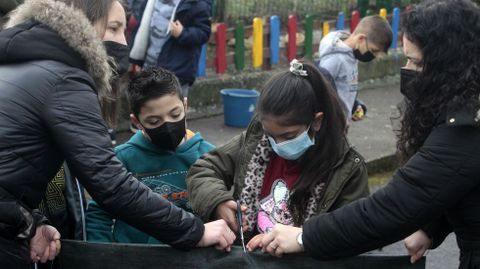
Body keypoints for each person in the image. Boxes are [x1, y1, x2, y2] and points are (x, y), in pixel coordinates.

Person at [0, 0, 234, 267]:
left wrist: (28, 223)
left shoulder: (24, 66)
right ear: (84, 23)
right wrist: (195, 231)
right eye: (114, 28)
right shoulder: (65, 79)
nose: (124, 42)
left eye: (125, 30)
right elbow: (108, 183)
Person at [260, 1, 480, 269]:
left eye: (416, 62)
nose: (408, 70)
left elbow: (391, 208)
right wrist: (431, 225)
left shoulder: (466, 130)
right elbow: (456, 183)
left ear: (450, 66)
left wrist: (305, 236)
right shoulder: (467, 110)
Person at [187, 59, 369, 250]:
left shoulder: (348, 169)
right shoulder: (256, 140)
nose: (278, 145)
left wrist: (304, 240)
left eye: (288, 136)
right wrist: (218, 202)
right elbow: (204, 169)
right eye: (271, 135)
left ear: (316, 121)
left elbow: (354, 231)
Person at [86, 68, 215, 244]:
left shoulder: (209, 155)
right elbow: (98, 216)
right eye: (154, 121)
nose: (168, 125)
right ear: (137, 122)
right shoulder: (121, 160)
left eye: (175, 114)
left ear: (185, 106)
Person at [127, 0, 211, 98]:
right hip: (149, 66)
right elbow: (143, 29)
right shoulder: (151, 2)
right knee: (149, 106)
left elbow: (204, 32)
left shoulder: (196, 3)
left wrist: (183, 33)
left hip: (177, 72)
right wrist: (140, 60)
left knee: (172, 109)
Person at [317, 15, 392, 122]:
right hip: (331, 126)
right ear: (361, 39)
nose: (374, 56)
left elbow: (342, 88)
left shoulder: (352, 56)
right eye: (374, 50)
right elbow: (320, 90)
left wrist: (355, 105)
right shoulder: (336, 59)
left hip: (341, 124)